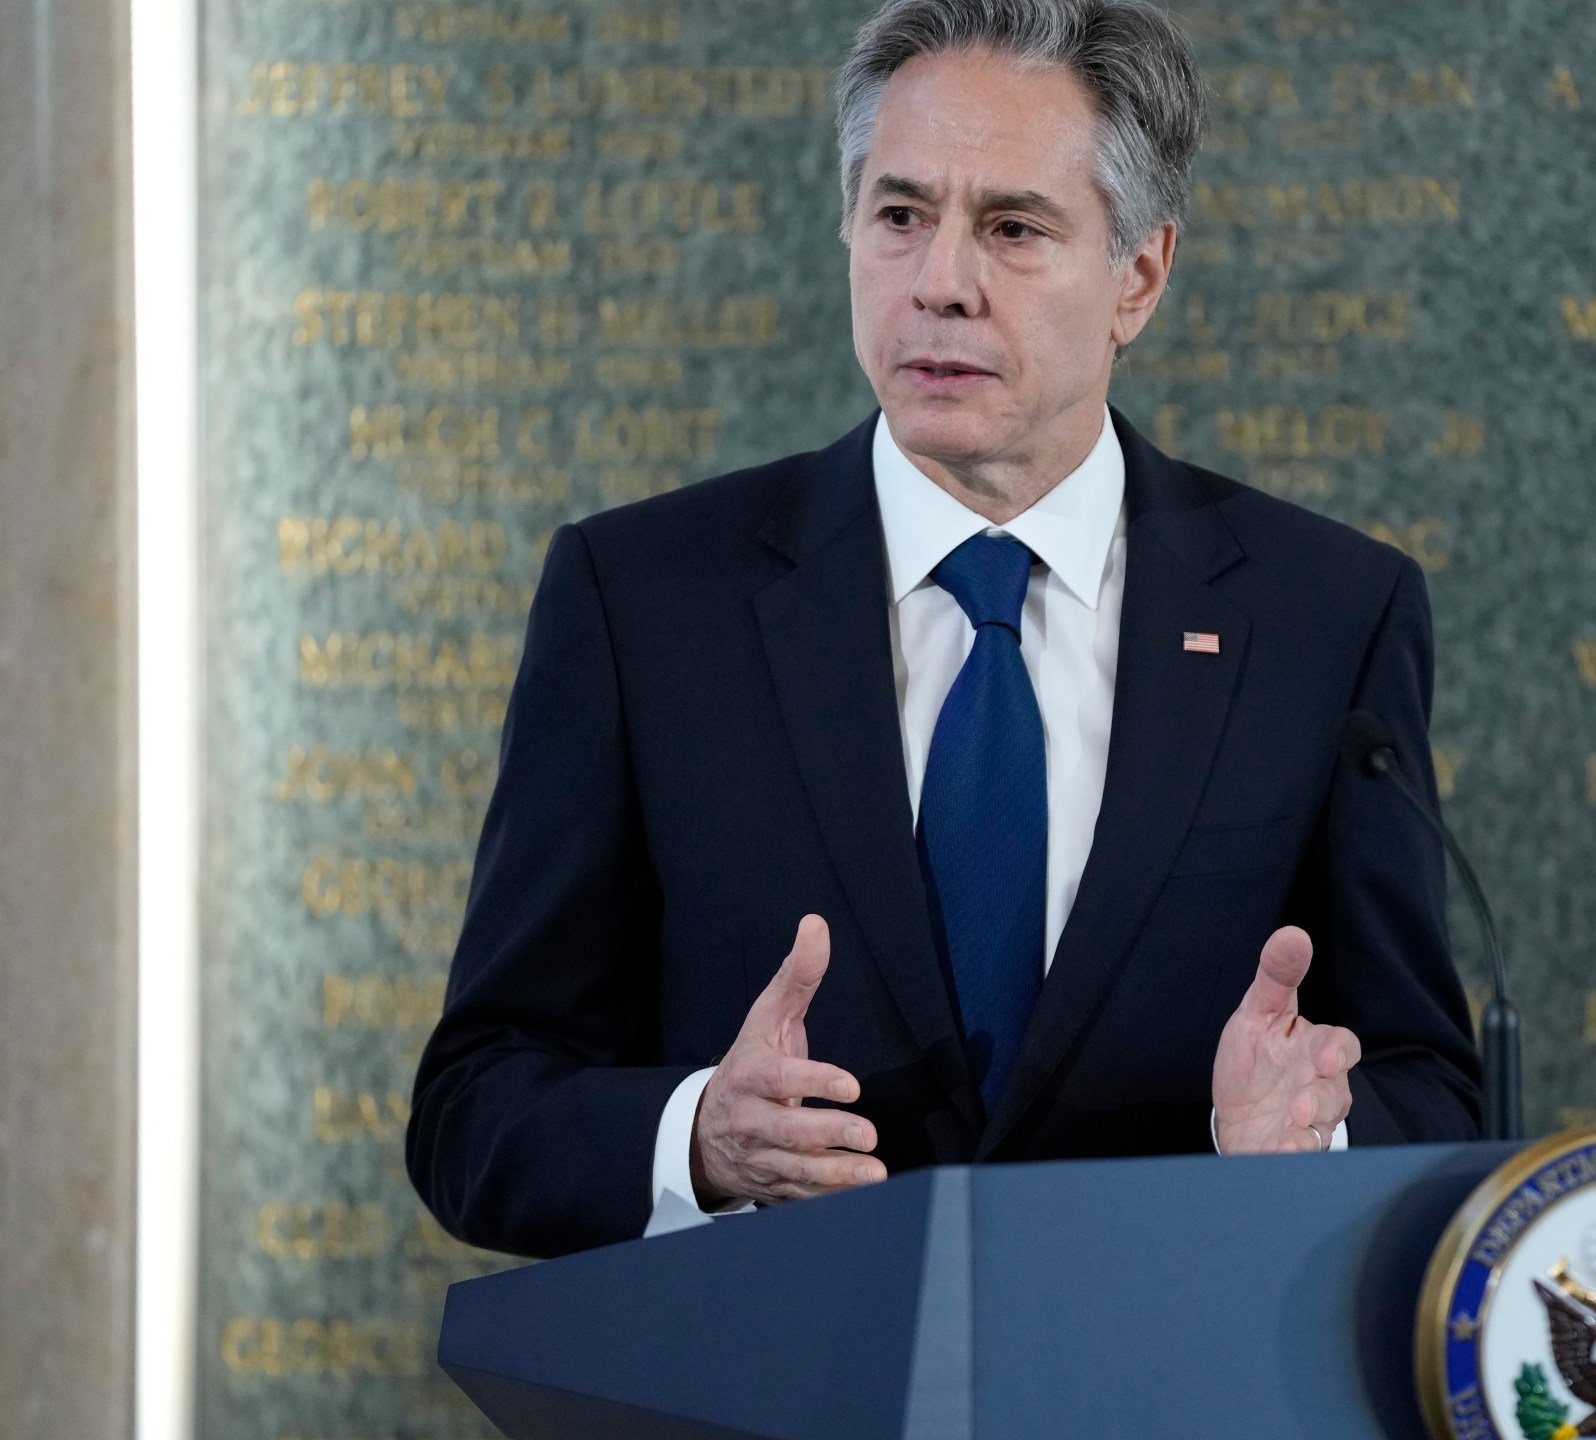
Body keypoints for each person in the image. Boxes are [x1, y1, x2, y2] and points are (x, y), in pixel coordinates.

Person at [406, 0, 1482, 1258]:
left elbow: (1434, 1089)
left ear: (1139, 275)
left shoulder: (1324, 617)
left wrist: (1311, 1137)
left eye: (1013, 228)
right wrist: (698, 1140)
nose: (940, 284)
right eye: (901, 216)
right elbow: (476, 1107)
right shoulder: (643, 600)